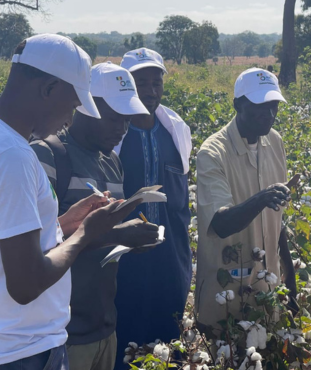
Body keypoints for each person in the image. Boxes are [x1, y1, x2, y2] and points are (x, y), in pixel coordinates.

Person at [0, 34, 140, 370]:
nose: (70, 118)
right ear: (49, 89)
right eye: (72, 104)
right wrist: (85, 235)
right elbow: (26, 284)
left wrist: (63, 224)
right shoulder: (12, 156)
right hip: (22, 351)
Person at [31, 62, 160, 370]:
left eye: (127, 119)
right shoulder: (47, 155)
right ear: (86, 106)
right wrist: (117, 235)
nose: (122, 128)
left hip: (104, 326)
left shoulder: (113, 162)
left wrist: (131, 239)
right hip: (62, 334)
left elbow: (103, 239)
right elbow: (37, 244)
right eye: (114, 117)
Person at [195, 68, 298, 329]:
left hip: (268, 288)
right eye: (259, 106)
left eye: (273, 105)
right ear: (237, 105)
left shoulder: (275, 142)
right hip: (226, 290)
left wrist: (289, 272)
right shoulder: (213, 153)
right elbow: (220, 223)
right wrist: (261, 198)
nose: (269, 113)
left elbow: (277, 217)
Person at [112, 47, 192, 359]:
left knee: (168, 343)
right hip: (125, 261)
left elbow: (181, 200)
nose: (150, 91)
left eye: (156, 83)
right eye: (140, 83)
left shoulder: (175, 130)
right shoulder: (113, 132)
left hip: (170, 259)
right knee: (127, 340)